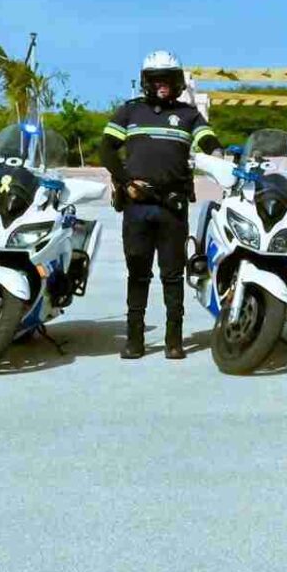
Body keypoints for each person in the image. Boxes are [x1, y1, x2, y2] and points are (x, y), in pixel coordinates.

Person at [102, 50, 218, 360]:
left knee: (172, 276)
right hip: (137, 206)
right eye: (155, 80)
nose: (161, 86)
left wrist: (220, 157)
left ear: (177, 82)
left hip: (172, 207)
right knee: (138, 274)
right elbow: (107, 150)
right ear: (146, 82)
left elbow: (209, 143)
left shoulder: (189, 114)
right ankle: (134, 339)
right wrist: (126, 182)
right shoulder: (129, 113)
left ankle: (173, 340)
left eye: (167, 80)